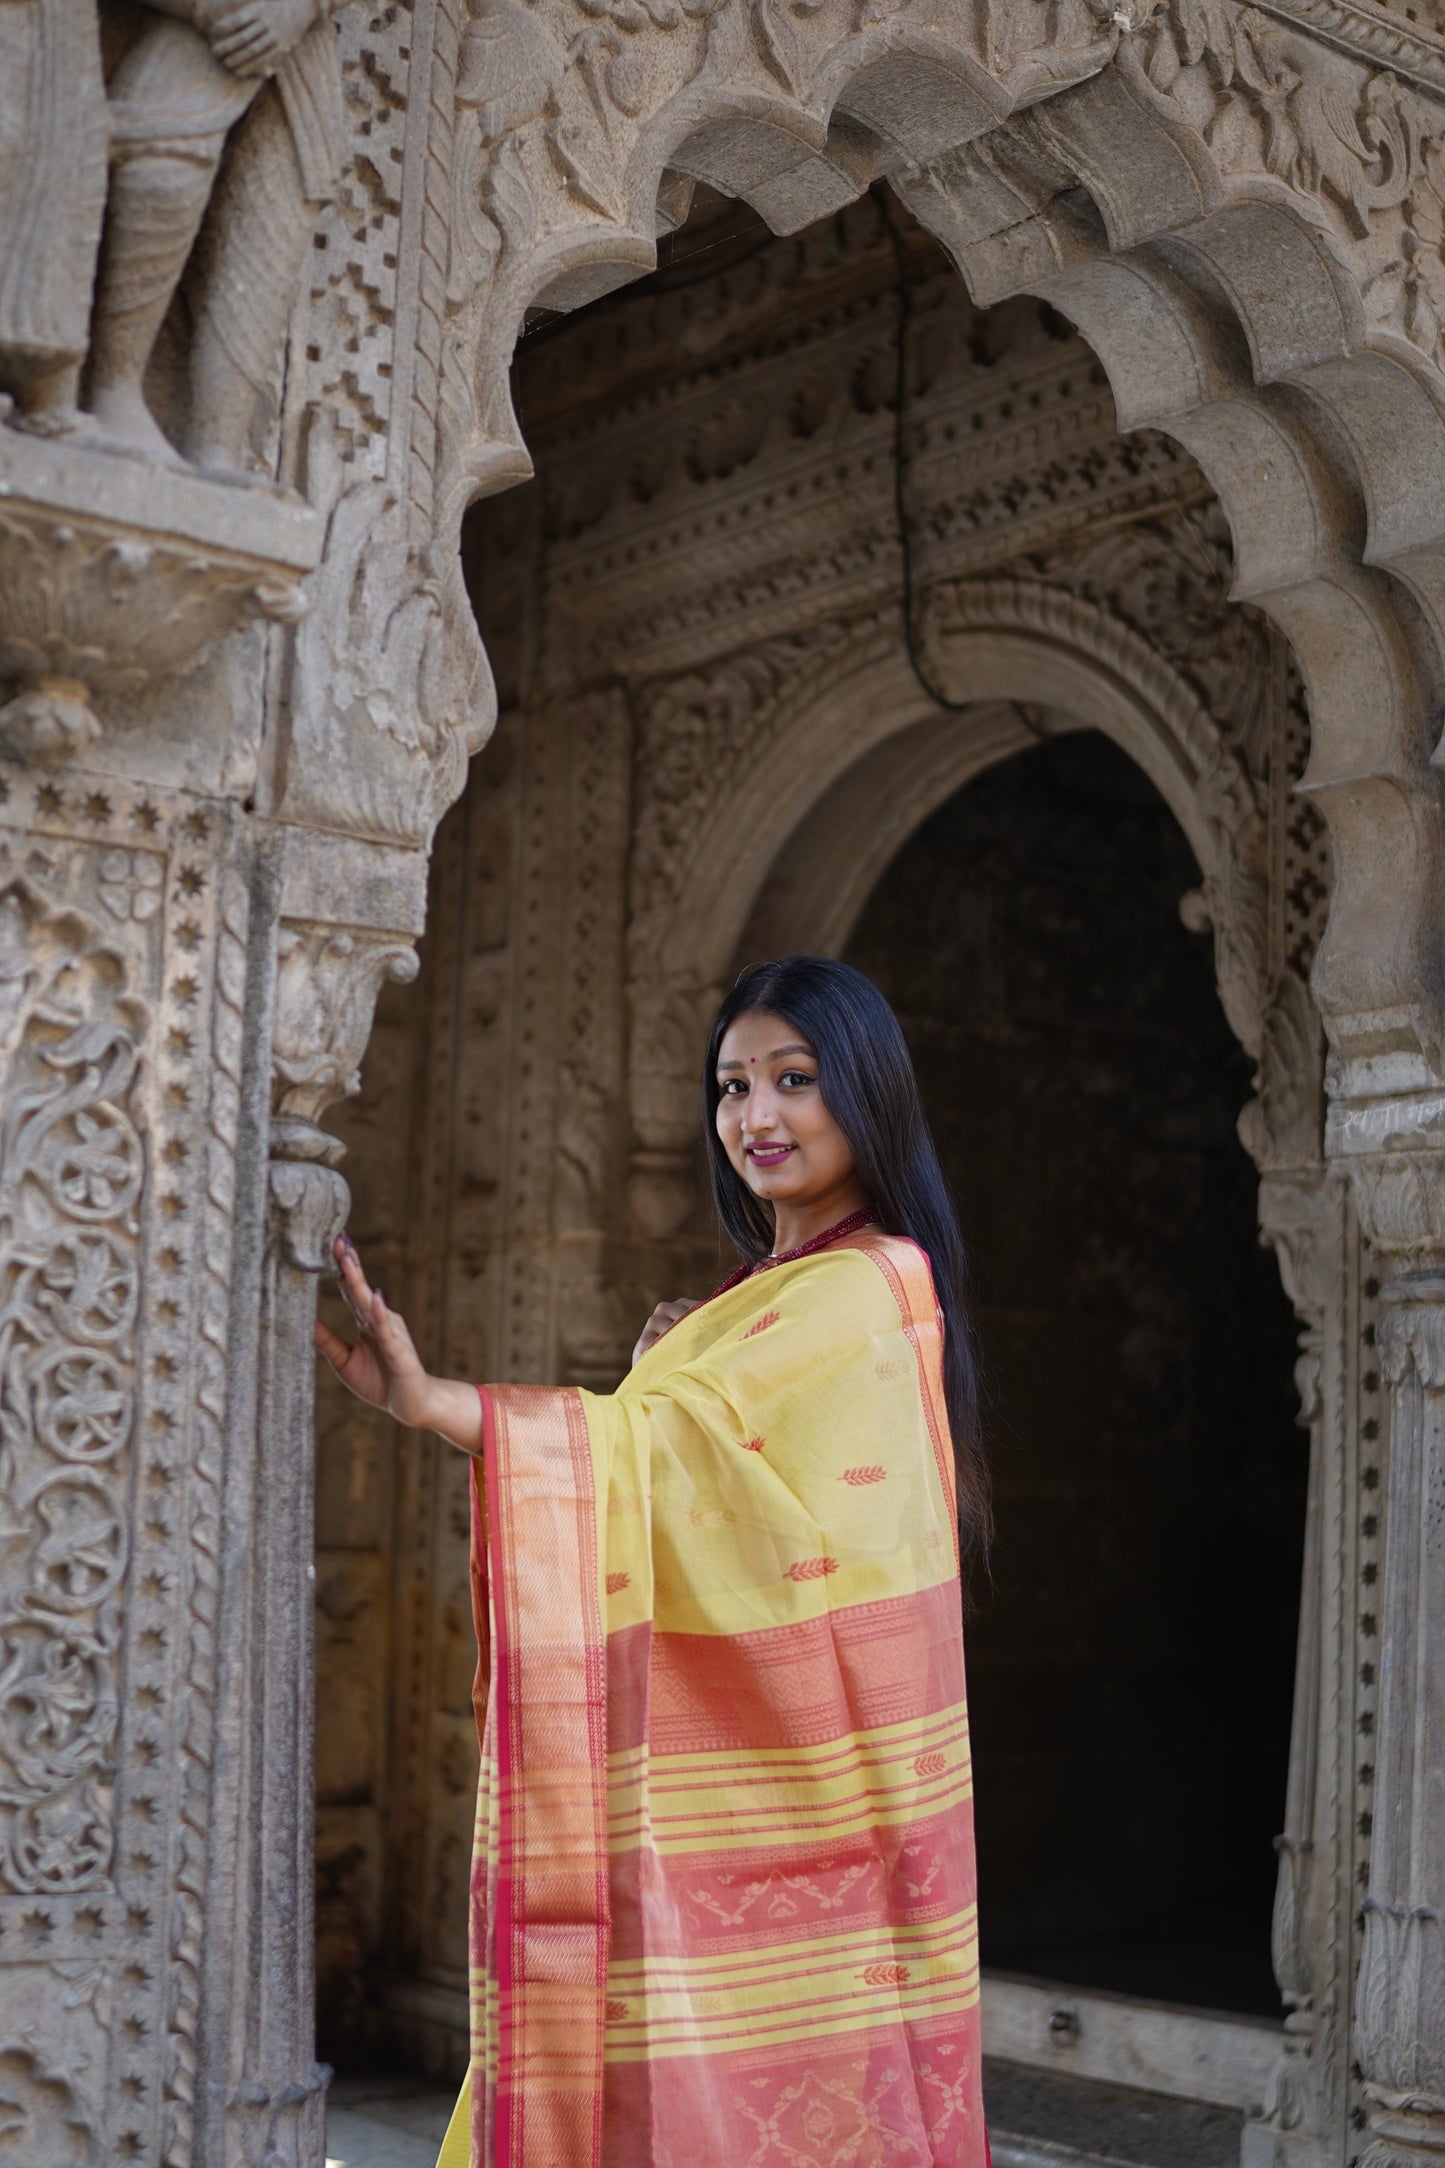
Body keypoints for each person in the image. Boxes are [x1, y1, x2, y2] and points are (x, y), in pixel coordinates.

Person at [317, 955, 994, 2168]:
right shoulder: (757, 1296)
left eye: (794, 1078)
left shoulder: (868, 1286)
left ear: (866, 1089)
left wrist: (435, 1401)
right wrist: (653, 1392)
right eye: (731, 1085)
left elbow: (714, 1494)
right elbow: (670, 1474)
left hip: (805, 1801)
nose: (756, 1114)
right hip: (692, 1790)